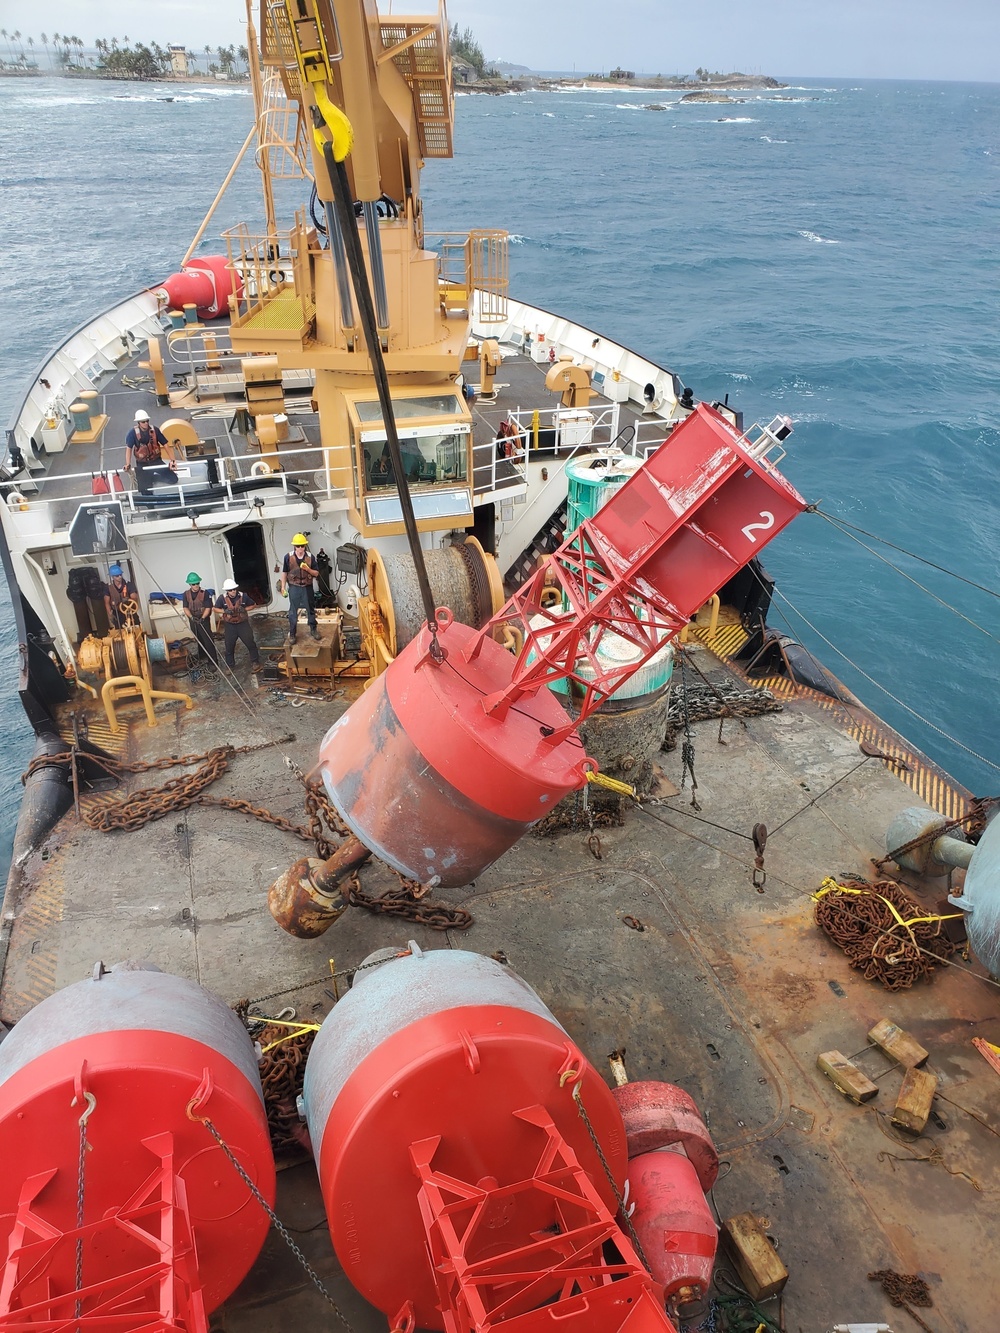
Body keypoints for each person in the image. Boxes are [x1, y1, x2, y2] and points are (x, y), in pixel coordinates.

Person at [278, 534, 320, 643]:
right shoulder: (288, 557)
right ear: (294, 547)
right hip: (294, 587)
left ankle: (313, 629)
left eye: (302, 546)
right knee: (293, 611)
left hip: (307, 587)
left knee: (310, 609)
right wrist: (283, 587)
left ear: (305, 546)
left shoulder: (311, 557)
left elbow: (316, 573)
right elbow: (284, 573)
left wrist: (308, 569)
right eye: (298, 546)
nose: (300, 548)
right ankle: (292, 634)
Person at [215, 578, 260, 672]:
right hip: (230, 626)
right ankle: (230, 665)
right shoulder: (221, 598)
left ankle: (255, 662)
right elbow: (215, 609)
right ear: (227, 591)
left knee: (250, 643)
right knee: (229, 646)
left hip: (243, 625)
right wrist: (224, 611)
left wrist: (245, 609)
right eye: (231, 590)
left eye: (234, 589)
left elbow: (253, 605)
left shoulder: (244, 596)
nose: (233, 591)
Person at [181, 572, 218, 666]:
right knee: (198, 637)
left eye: (197, 583)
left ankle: (213, 662)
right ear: (190, 584)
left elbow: (208, 607)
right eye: (194, 584)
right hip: (193, 619)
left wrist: (202, 618)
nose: (196, 585)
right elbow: (185, 608)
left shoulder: (205, 593)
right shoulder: (186, 594)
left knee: (208, 639)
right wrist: (191, 617)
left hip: (203, 619)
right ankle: (202, 654)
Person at [103, 563, 136, 629]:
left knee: (135, 626)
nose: (120, 577)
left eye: (120, 574)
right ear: (112, 577)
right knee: (119, 630)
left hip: (129, 611)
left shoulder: (129, 584)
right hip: (117, 613)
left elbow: (134, 598)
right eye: (117, 576)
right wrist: (110, 615)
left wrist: (129, 600)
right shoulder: (108, 587)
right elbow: (107, 603)